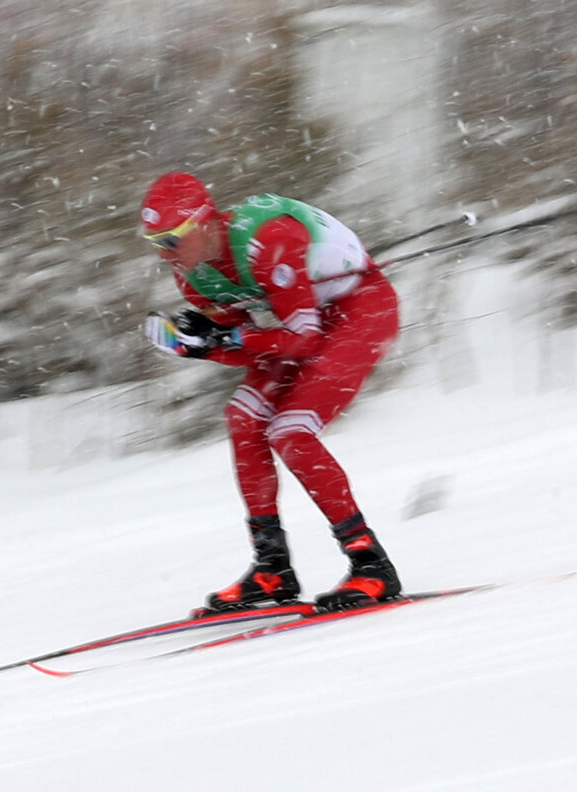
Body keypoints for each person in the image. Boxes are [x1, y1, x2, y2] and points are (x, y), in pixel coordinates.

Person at [139, 172, 401, 614]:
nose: (166, 254)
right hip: (303, 324)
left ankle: (371, 564)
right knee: (243, 418)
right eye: (155, 243)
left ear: (203, 222)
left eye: (172, 239)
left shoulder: (268, 240)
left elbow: (303, 339)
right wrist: (199, 346)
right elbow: (251, 350)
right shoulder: (193, 277)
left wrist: (226, 340)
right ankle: (271, 567)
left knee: (291, 431)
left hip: (360, 309)